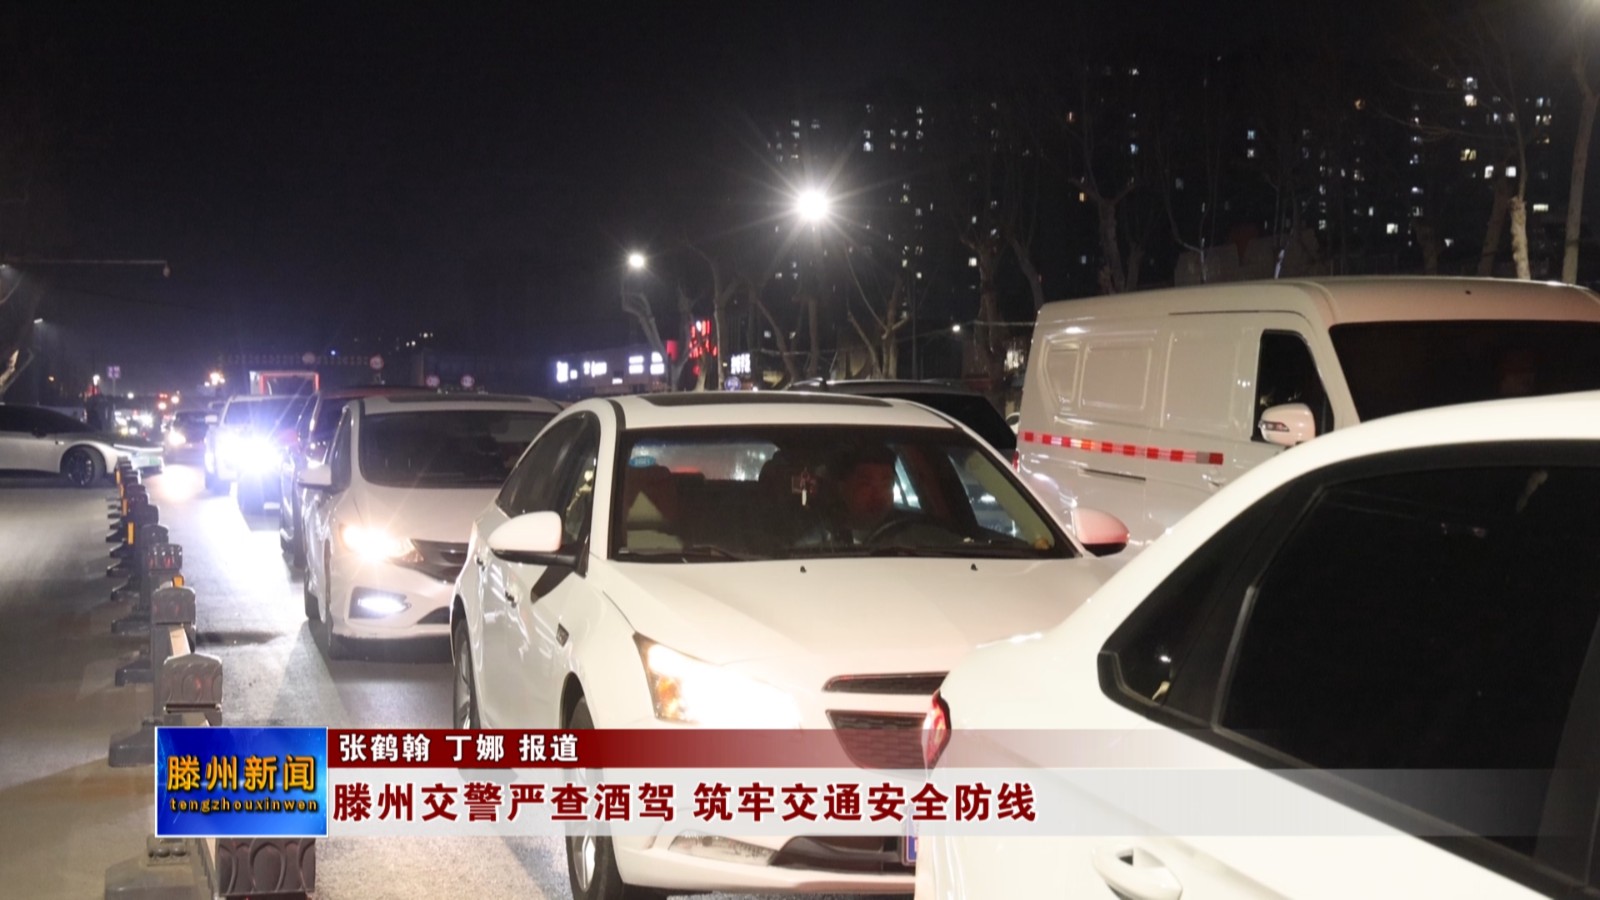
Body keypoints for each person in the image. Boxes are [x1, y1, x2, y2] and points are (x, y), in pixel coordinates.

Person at [830, 444, 899, 543]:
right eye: (866, 484)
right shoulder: (818, 542)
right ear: (842, 488)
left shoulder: (910, 538)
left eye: (886, 485)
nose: (878, 495)